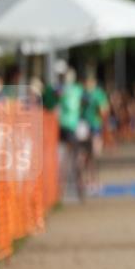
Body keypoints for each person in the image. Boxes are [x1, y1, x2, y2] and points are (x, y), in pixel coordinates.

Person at [57, 68, 89, 201]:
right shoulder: (61, 89)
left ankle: (79, 188)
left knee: (75, 159)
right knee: (64, 159)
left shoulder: (77, 90)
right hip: (61, 127)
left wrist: (81, 114)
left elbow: (87, 100)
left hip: (72, 127)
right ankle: (62, 190)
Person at [81, 74, 110, 196]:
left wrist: (100, 112)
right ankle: (86, 182)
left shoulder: (98, 94)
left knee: (94, 154)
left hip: (95, 127)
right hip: (84, 126)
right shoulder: (82, 94)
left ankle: (94, 181)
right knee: (85, 156)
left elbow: (104, 109)